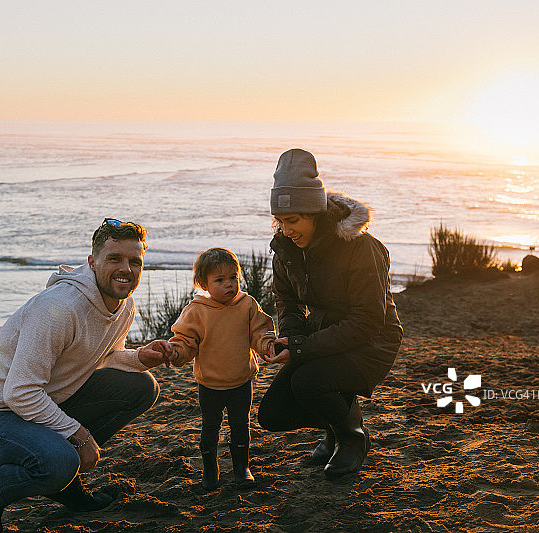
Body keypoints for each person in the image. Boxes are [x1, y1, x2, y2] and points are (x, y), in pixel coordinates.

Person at [0, 219, 174, 532]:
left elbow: (105, 357)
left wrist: (140, 357)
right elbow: (19, 392)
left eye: (134, 261)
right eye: (114, 259)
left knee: (141, 387)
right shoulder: (58, 308)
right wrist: (79, 434)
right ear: (92, 262)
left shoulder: (124, 305)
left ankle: (63, 479)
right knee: (59, 461)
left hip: (42, 401)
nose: (126, 269)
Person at [258, 149, 403, 478]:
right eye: (280, 221)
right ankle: (336, 424)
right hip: (324, 336)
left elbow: (367, 321)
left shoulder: (361, 247)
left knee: (308, 382)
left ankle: (351, 436)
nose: (285, 230)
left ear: (315, 213)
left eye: (293, 221)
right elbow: (287, 302)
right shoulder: (285, 249)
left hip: (372, 342)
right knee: (273, 414)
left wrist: (300, 349)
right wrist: (291, 341)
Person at [168, 248, 276, 491]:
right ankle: (210, 470)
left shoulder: (247, 304)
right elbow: (184, 341)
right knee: (210, 427)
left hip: (241, 381)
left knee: (240, 426)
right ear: (203, 283)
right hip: (210, 384)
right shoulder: (197, 310)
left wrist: (267, 345)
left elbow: (260, 331)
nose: (229, 284)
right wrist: (175, 353)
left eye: (233, 278)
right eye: (220, 280)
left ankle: (241, 468)